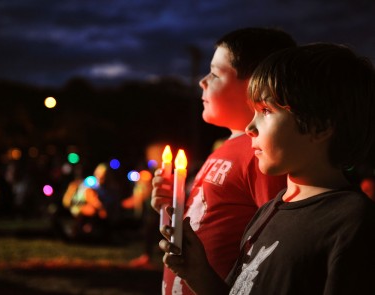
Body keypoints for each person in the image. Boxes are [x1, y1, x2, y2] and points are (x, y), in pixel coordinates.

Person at [159, 43, 375, 294]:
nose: (250, 127)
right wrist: (198, 273)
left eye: (266, 110)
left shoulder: (352, 224)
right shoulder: (268, 209)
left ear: (319, 126)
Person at [150, 27, 296, 294]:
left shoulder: (261, 154)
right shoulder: (226, 149)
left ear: (257, 83)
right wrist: (171, 206)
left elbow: (274, 245)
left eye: (215, 73)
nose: (202, 81)